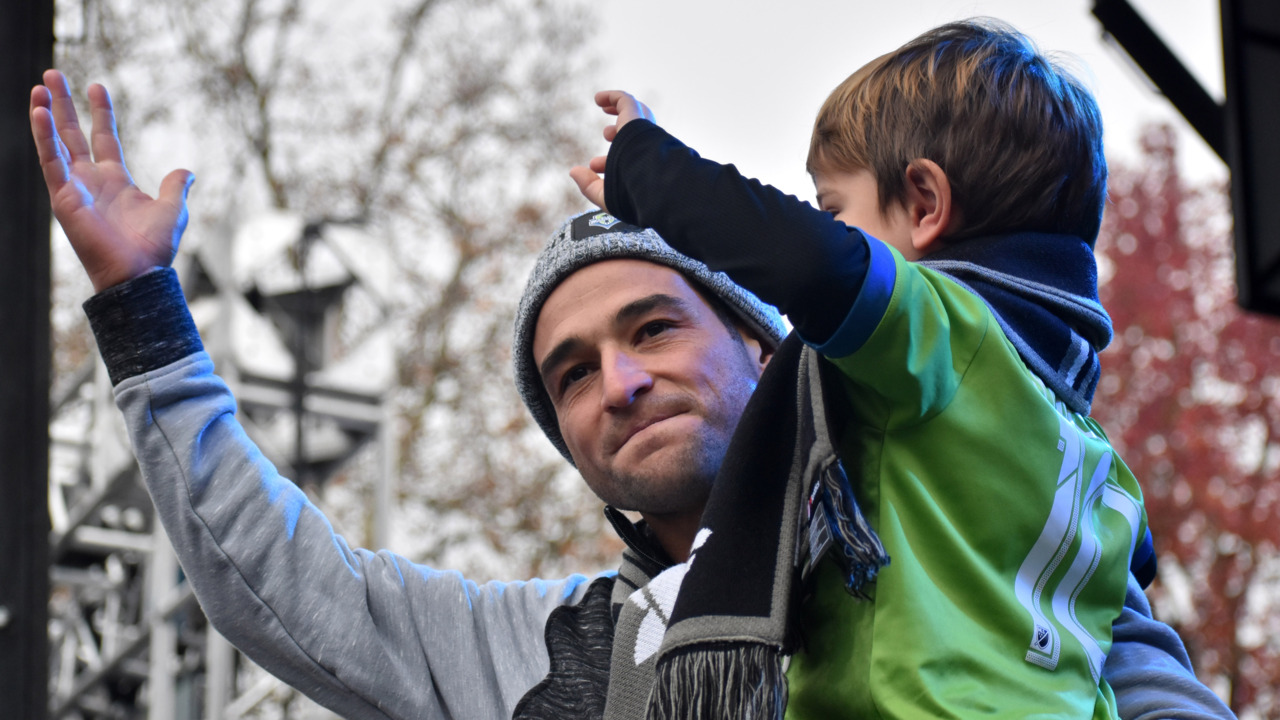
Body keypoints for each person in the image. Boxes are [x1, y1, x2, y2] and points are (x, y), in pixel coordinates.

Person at [29, 41, 1233, 720]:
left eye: (652, 325)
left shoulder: (987, 531)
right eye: (567, 374)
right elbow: (290, 590)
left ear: (770, 347)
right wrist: (142, 313)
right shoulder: (548, 652)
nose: (617, 379)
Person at [565, 18, 1229, 720]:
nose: (829, 229)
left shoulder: (944, 334)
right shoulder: (1088, 451)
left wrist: (648, 170)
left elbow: (806, 262)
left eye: (834, 209)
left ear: (923, 204)